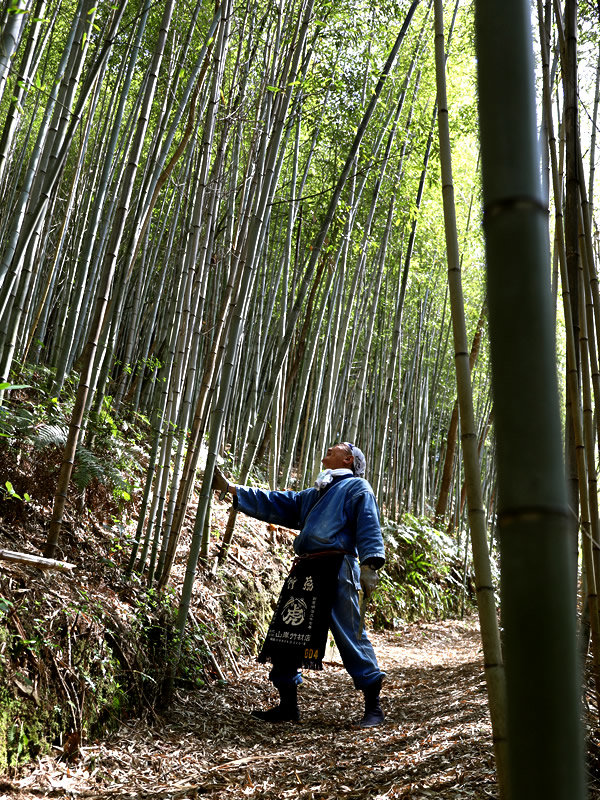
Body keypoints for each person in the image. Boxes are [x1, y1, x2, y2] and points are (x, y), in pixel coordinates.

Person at [212, 441, 386, 728]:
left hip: (338, 566)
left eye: (337, 447)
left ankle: (373, 707)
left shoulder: (357, 487)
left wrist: (370, 565)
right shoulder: (316, 492)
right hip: (307, 567)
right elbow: (279, 501)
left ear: (348, 460)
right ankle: (288, 705)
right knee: (287, 633)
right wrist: (232, 489)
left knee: (349, 634)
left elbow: (368, 523)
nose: (329, 448)